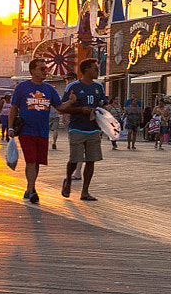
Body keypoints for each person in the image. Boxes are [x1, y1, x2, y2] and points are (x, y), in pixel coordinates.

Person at [57, 58, 107, 201]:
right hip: (77, 127)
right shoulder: (73, 87)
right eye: (95, 68)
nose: (97, 71)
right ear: (86, 70)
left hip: (93, 128)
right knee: (75, 158)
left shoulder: (99, 87)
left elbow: (103, 103)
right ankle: (68, 180)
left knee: (91, 160)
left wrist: (105, 109)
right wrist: (80, 109)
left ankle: (85, 191)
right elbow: (63, 107)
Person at [11, 57, 59, 202]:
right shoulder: (22, 87)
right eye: (42, 69)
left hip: (42, 131)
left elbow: (60, 106)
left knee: (37, 162)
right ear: (33, 71)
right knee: (30, 160)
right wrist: (10, 127)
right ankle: (32, 190)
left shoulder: (49, 89)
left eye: (46, 69)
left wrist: (73, 103)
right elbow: (14, 108)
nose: (45, 71)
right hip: (26, 130)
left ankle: (29, 188)